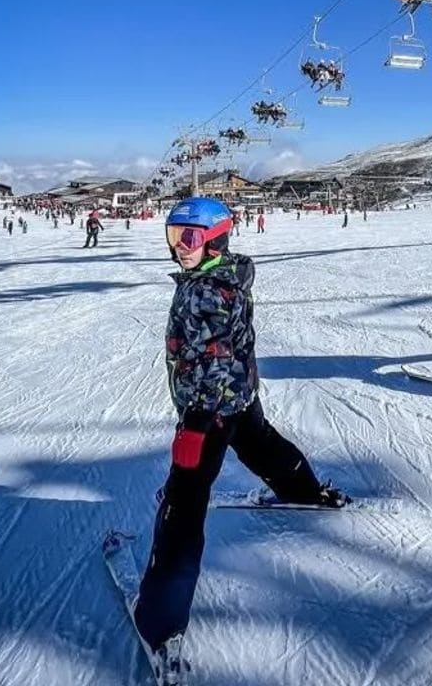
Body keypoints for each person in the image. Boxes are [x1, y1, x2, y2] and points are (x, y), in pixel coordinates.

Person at [132, 197, 349, 676]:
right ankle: (305, 491)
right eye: (173, 236)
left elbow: (208, 357)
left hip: (207, 411)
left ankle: (160, 618)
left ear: (215, 238)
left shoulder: (204, 291)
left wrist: (196, 420)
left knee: (182, 507)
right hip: (238, 396)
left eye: (190, 238)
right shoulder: (228, 274)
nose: (180, 247)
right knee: (262, 445)